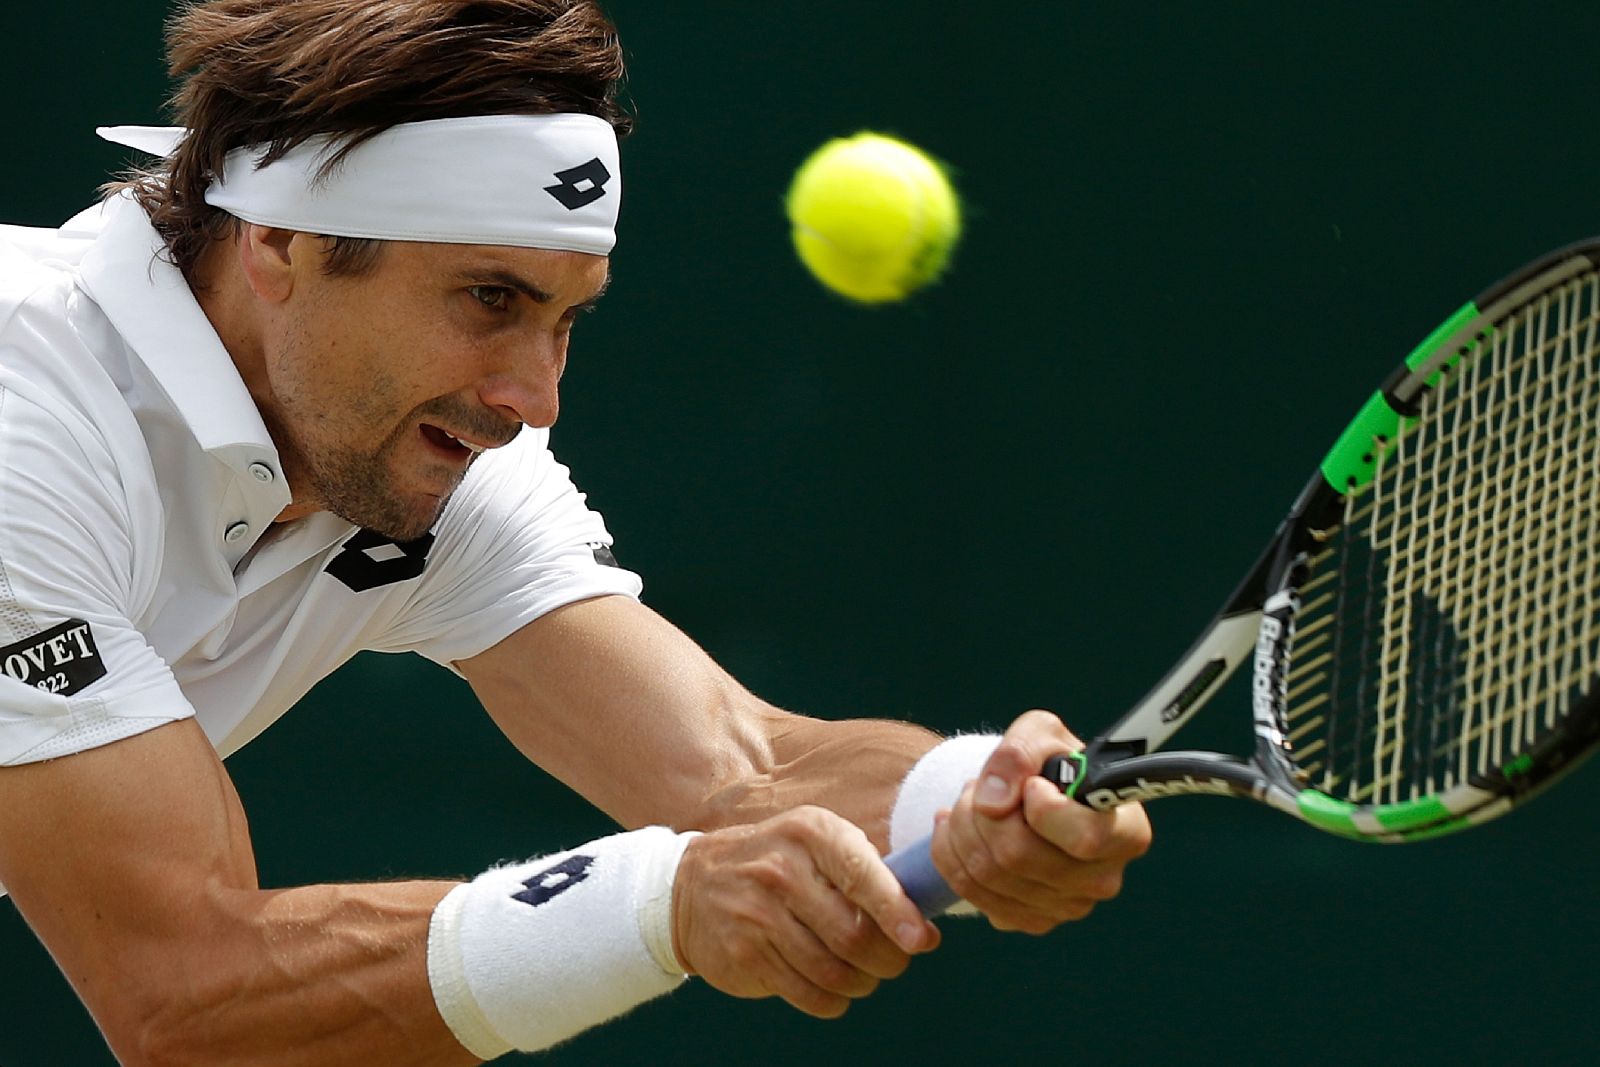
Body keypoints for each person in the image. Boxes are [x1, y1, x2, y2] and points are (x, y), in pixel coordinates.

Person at [0, 1, 1151, 1063]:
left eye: (564, 319)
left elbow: (740, 768)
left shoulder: (427, 448)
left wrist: (967, 799)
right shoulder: (26, 411)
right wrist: (659, 908)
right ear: (280, 246)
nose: (533, 397)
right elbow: (182, 989)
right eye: (488, 300)